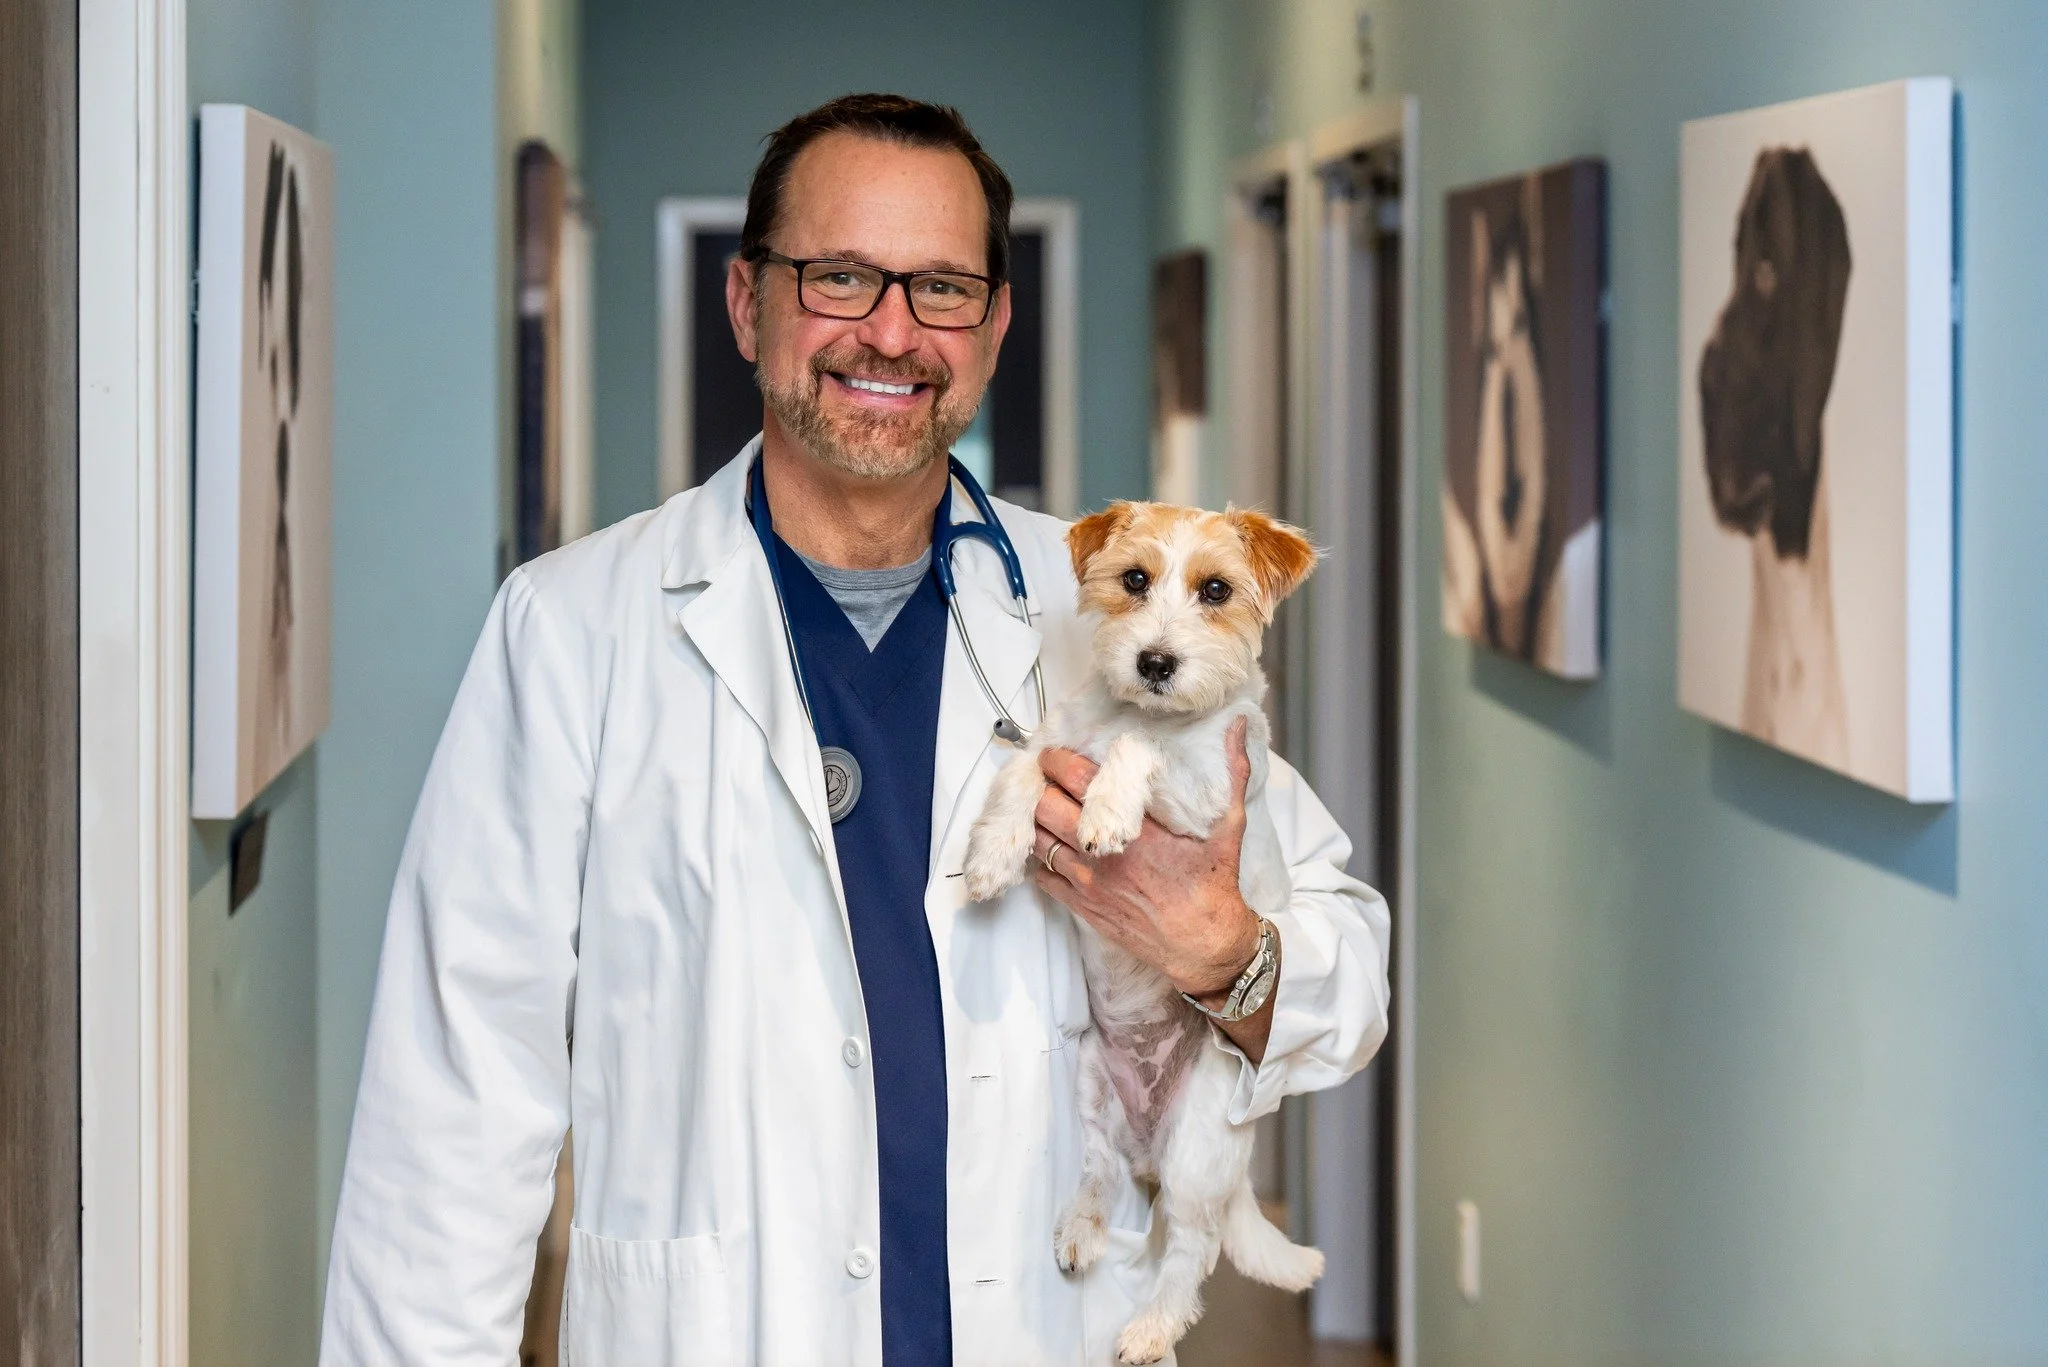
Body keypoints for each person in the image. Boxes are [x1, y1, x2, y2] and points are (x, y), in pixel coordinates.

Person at [318, 93, 1391, 1366]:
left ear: (992, 328)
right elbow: (453, 1102)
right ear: (746, 303)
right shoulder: (572, 628)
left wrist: (1225, 954)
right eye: (837, 275)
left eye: (941, 288)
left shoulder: (1107, 605)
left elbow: (1350, 971)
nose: (890, 330)